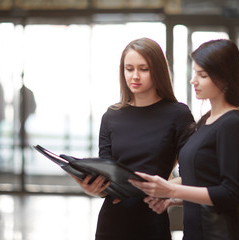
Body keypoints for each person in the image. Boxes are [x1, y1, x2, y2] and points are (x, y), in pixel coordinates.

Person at [130, 39, 239, 240]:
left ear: (224, 77)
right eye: (194, 73)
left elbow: (230, 194)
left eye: (202, 75)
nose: (193, 80)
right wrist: (171, 197)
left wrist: (172, 189)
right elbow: (201, 178)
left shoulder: (232, 124)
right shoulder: (207, 119)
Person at [73, 38, 194, 240]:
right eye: (129, 69)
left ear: (158, 70)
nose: (135, 76)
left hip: (152, 221)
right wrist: (93, 188)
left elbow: (193, 175)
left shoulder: (178, 114)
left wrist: (168, 190)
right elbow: (107, 172)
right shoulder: (111, 116)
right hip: (111, 224)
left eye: (143, 69)